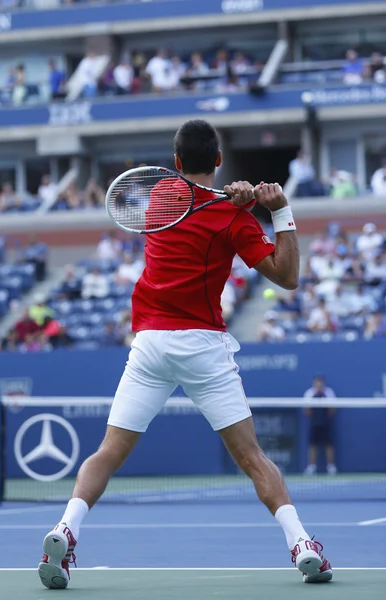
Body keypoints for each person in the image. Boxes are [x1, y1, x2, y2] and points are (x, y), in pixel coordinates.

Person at [38, 119, 331, 589]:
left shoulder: (160, 200)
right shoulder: (231, 216)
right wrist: (277, 210)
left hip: (150, 345)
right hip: (202, 346)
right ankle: (300, 544)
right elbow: (288, 276)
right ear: (218, 160)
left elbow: (197, 200)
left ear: (175, 164)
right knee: (253, 457)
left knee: (108, 452)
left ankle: (65, 528)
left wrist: (243, 199)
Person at [304, 376, 337, 475]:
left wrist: (324, 418)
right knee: (313, 445)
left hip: (326, 423)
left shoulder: (329, 392)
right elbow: (307, 409)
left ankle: (331, 467)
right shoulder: (309, 393)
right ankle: (311, 467)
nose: (319, 383)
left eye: (320, 382)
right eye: (317, 382)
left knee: (329, 445)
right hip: (314, 423)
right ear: (314, 382)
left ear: (323, 382)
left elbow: (332, 409)